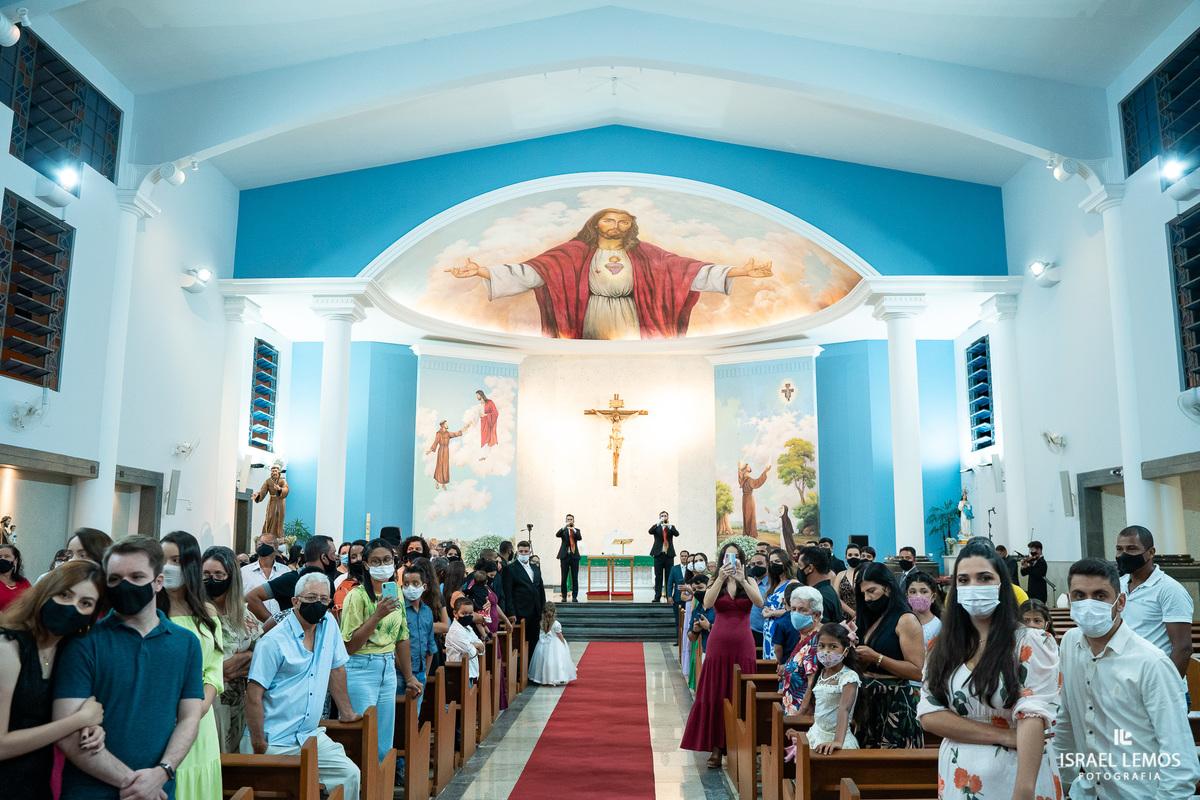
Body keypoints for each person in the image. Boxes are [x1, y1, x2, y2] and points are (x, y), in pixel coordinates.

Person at [447, 207, 774, 340]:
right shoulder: (574, 253)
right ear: (595, 224)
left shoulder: (646, 254)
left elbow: (686, 272)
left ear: (631, 226)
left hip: (632, 313)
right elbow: (533, 272)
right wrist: (484, 272)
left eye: (624, 222)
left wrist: (741, 271)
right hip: (591, 314)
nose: (616, 226)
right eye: (609, 220)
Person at [52, 535, 205, 800]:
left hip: (159, 789)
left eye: (136, 577)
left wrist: (162, 772)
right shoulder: (83, 641)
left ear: (158, 582)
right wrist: (136, 784)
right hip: (91, 791)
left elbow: (190, 717)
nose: (125, 586)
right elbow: (67, 731)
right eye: (115, 579)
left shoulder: (186, 643)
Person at [918, 539, 1061, 800]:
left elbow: (1033, 717)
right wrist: (1006, 736)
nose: (974, 587)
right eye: (964, 580)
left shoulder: (1031, 642)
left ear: (1001, 585)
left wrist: (1024, 792)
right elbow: (930, 715)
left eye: (984, 578)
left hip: (1018, 774)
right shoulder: (941, 646)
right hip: (959, 774)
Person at [1055, 557, 1200, 800]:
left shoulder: (1151, 663)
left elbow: (1180, 762)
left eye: (1100, 596)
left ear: (1120, 601)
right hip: (1087, 792)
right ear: (1069, 601)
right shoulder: (1070, 644)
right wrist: (1063, 785)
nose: (1088, 604)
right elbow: (1066, 720)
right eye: (1079, 596)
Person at [244, 572, 362, 798]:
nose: (317, 604)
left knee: (350, 774)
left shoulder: (329, 626)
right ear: (295, 601)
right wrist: (259, 743)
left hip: (310, 736)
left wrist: (347, 712)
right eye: (310, 598)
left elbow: (336, 668)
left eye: (323, 599)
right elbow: (253, 694)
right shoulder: (273, 641)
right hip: (275, 738)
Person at [0, 560, 106, 800]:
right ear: (45, 592)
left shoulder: (67, 653)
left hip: (37, 785)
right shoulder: (8, 648)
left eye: (85, 603)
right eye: (64, 595)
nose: (72, 607)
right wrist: (79, 719)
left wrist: (90, 728)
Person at [339, 539, 421, 774]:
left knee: (384, 740)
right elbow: (349, 646)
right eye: (375, 561)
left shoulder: (396, 592)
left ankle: (379, 790)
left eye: (387, 560)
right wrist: (376, 615)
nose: (382, 565)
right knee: (365, 736)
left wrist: (410, 676)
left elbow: (402, 637)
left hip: (388, 667)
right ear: (366, 565)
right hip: (361, 667)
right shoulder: (357, 596)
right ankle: (361, 787)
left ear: (394, 562)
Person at [680, 542, 764, 769]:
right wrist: (720, 578)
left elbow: (759, 602)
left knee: (742, 694)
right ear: (722, 560)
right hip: (718, 643)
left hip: (743, 644)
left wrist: (743, 579)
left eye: (736, 557)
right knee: (716, 693)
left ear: (742, 560)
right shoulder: (715, 580)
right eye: (728, 557)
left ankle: (745, 747)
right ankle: (716, 748)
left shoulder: (750, 580)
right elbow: (706, 602)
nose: (732, 561)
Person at [159, 532, 224, 800]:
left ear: (190, 565)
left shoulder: (206, 612)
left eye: (176, 559)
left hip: (200, 716)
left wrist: (203, 704)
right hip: (164, 711)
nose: (168, 567)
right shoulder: (150, 609)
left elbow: (214, 665)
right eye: (162, 560)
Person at [852, 561, 925, 748]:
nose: (867, 599)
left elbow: (917, 671)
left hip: (894, 702)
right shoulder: (872, 619)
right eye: (863, 594)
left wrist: (876, 657)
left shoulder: (905, 619)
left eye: (871, 591)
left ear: (888, 588)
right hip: (869, 701)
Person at [201, 546, 261, 754]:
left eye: (219, 575)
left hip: (240, 699)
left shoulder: (243, 614)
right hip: (211, 701)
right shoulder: (198, 614)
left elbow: (262, 656)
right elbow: (217, 668)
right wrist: (232, 666)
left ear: (231, 577)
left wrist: (242, 658)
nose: (211, 580)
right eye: (206, 575)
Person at [1114, 524, 1194, 679]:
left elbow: (1183, 648)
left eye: (1131, 549)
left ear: (1151, 552)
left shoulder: (1169, 589)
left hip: (1156, 679)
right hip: (1126, 679)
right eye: (1119, 549)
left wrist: (1168, 686)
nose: (1123, 555)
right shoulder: (1118, 585)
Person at [246, 535, 340, 632]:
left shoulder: (329, 583)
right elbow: (251, 598)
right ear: (324, 557)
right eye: (333, 554)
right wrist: (279, 623)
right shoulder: (291, 579)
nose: (336, 558)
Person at [792, 623, 861, 754]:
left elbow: (844, 710)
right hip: (816, 735)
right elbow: (821, 713)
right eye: (822, 646)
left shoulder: (848, 677)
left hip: (836, 738)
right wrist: (803, 733)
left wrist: (837, 742)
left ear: (845, 651)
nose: (826, 651)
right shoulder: (822, 673)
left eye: (833, 646)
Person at [778, 586, 823, 714]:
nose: (796, 614)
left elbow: (812, 683)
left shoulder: (817, 641)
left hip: (801, 714)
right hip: (791, 707)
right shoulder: (804, 635)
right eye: (793, 609)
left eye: (802, 610)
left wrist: (800, 715)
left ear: (816, 615)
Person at [401, 562, 439, 712]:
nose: (410, 588)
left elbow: (430, 646)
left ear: (424, 586)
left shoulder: (427, 611)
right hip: (400, 673)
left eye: (415, 583)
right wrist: (408, 674)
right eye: (406, 584)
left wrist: (424, 673)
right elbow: (395, 646)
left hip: (420, 672)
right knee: (400, 715)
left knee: (414, 715)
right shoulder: (399, 610)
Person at [500, 540, 545, 662]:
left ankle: (532, 669)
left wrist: (542, 609)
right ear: (517, 553)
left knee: (534, 642)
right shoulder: (510, 569)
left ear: (530, 552)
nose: (524, 553)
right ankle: (521, 671)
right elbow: (507, 592)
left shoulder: (535, 568)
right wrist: (511, 612)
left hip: (535, 611)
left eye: (526, 551)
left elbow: (540, 589)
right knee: (520, 643)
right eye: (521, 551)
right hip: (520, 612)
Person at [528, 601, 577, 685]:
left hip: (542, 644)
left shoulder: (541, 623)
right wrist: (563, 643)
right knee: (556, 661)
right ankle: (557, 677)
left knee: (543, 661)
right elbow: (559, 634)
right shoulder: (556, 624)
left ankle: (544, 678)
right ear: (554, 612)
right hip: (555, 644)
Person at [241, 533, 289, 617]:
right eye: (260, 544)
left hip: (279, 625)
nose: (263, 546)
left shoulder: (285, 571)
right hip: (253, 625)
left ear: (276, 547)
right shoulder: (244, 572)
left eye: (268, 543)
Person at [760, 547, 799, 645]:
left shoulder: (792, 584)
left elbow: (794, 610)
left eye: (777, 561)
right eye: (771, 562)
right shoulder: (775, 584)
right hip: (769, 632)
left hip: (782, 630)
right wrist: (767, 610)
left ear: (786, 562)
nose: (774, 565)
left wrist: (771, 613)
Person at [797, 545, 842, 624]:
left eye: (800, 566)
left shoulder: (819, 597)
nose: (799, 570)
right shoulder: (828, 590)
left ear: (810, 568)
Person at [445, 596, 485, 681]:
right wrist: (476, 647)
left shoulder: (468, 627)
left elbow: (482, 648)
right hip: (460, 675)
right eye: (464, 613)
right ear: (455, 613)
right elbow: (471, 653)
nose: (467, 616)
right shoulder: (456, 631)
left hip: (470, 672)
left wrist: (476, 645)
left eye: (470, 613)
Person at [770, 583, 808, 668]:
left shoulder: (781, 623)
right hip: (805, 662)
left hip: (787, 663)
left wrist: (780, 662)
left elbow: (778, 647)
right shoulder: (809, 619)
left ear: (783, 601)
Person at [904, 571, 943, 649]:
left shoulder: (937, 626)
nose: (918, 596)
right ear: (907, 596)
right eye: (913, 592)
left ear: (933, 597)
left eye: (924, 592)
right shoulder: (902, 622)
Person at [648, 511, 679, 603]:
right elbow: (650, 531)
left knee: (669, 576)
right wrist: (658, 523)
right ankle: (657, 596)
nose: (663, 517)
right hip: (658, 555)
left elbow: (677, 534)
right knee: (658, 576)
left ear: (668, 517)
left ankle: (669, 596)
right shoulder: (656, 527)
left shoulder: (671, 527)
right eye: (662, 516)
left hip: (668, 555)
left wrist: (669, 526)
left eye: (665, 516)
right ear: (659, 517)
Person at [251, 465, 289, 539]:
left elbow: (286, 489)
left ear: (279, 472)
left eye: (275, 471)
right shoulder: (268, 481)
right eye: (272, 471)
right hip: (272, 501)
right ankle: (268, 535)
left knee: (279, 518)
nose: (274, 473)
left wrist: (280, 489)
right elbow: (263, 491)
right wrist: (258, 495)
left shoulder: (282, 481)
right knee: (270, 517)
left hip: (280, 502)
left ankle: (278, 535)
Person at [554, 515, 583, 602]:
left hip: (574, 556)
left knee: (575, 577)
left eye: (571, 520)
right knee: (564, 577)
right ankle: (564, 596)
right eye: (568, 519)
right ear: (565, 520)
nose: (569, 521)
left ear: (574, 521)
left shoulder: (576, 530)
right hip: (565, 556)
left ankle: (574, 596)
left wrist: (573, 529)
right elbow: (557, 535)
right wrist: (564, 527)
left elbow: (579, 537)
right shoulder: (563, 531)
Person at [746, 552, 770, 650]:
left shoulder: (772, 585)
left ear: (767, 565)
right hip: (748, 631)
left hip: (765, 633)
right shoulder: (748, 583)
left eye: (760, 563)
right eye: (753, 564)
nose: (756, 566)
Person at [834, 543, 862, 620]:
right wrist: (852, 612)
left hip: (864, 615)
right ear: (846, 558)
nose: (853, 557)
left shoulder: (865, 574)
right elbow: (836, 598)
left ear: (860, 557)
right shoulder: (840, 575)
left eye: (856, 555)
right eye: (850, 555)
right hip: (844, 617)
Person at [0, 544, 32, 611]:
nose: (2, 559)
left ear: (15, 561)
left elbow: (34, 602)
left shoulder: (24, 582)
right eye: (0, 556)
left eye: (7, 556)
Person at [667, 548, 691, 632]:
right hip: (677, 598)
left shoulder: (691, 568)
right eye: (682, 556)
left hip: (690, 597)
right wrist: (669, 596)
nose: (684, 558)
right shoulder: (674, 568)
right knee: (678, 620)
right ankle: (679, 640)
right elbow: (670, 583)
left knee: (688, 619)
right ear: (680, 557)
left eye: (686, 556)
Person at [474, 389, 498, 457]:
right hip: (483, 423)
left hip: (489, 422)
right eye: (476, 395)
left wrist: (486, 415)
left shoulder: (490, 402)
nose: (477, 397)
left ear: (481, 395)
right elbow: (476, 414)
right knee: (484, 437)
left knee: (489, 438)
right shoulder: (479, 405)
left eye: (478, 395)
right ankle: (484, 455)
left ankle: (489, 455)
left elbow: (495, 412)